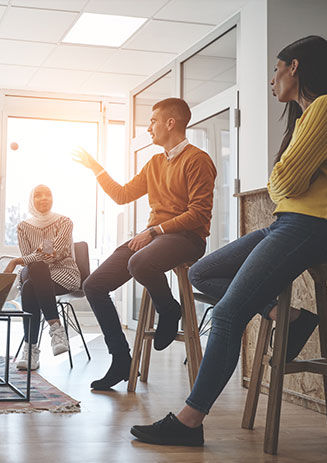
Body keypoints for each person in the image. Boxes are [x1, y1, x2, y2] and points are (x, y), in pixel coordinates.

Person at [130, 35, 327, 447]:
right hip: (290, 221)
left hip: (317, 224)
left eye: (276, 69)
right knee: (202, 271)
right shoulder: (304, 118)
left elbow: (284, 180)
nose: (272, 79)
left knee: (228, 314)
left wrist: (284, 181)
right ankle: (288, 317)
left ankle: (190, 422)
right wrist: (285, 182)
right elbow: (282, 184)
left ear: (294, 67)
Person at [73, 97, 217, 390]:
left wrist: (155, 231)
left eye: (153, 121)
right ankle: (121, 360)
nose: (149, 127)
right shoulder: (154, 163)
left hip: (187, 238)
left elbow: (199, 213)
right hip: (156, 237)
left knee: (138, 262)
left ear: (170, 123)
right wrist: (95, 167)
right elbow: (122, 194)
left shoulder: (197, 160)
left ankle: (169, 309)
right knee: (94, 285)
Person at [4, 185, 78, 370]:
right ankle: (56, 331)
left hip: (64, 274)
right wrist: (32, 257)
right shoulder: (23, 227)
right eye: (38, 195)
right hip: (38, 276)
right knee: (34, 276)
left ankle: (31, 350)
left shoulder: (64, 222)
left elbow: (53, 252)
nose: (44, 198)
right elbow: (36, 259)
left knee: (34, 276)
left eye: (48, 194)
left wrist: (16, 261)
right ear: (31, 200)